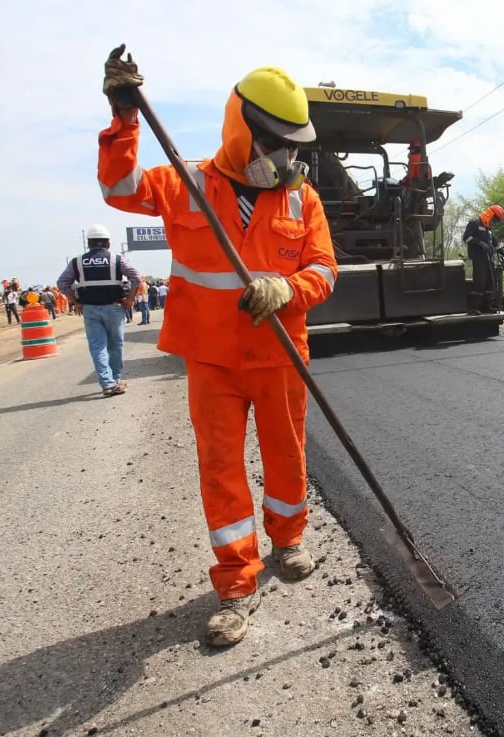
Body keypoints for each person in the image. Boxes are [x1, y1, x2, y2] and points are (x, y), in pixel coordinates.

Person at [99, 46, 338, 647]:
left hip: (280, 353)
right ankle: (237, 582)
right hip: (211, 361)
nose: (286, 158)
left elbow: (326, 270)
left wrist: (288, 286)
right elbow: (119, 187)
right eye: (276, 144)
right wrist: (124, 118)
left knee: (286, 458)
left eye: (293, 147)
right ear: (242, 130)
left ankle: (288, 541)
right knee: (222, 472)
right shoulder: (187, 184)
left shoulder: (299, 198)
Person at [57, 224, 140, 397]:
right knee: (115, 346)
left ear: (89, 243)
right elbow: (135, 277)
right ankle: (115, 379)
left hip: (90, 310)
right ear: (108, 243)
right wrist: (130, 299)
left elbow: (62, 283)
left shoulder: (77, 262)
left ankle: (108, 384)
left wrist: (75, 301)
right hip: (114, 308)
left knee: (98, 347)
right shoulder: (117, 259)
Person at [463, 204, 504, 313]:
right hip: (478, 259)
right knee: (479, 283)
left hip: (489, 260)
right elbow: (466, 237)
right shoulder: (475, 222)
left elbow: (495, 244)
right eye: (495, 219)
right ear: (491, 215)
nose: (495, 222)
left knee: (490, 283)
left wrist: (502, 248)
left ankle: (487, 307)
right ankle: (473, 308)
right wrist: (480, 243)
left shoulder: (488, 229)